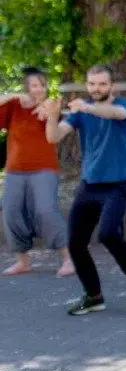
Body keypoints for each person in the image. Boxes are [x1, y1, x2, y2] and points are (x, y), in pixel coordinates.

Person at [43, 64, 126, 316]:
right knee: (75, 243)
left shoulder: (123, 105)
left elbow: (116, 114)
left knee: (108, 233)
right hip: (89, 185)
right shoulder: (81, 112)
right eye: (92, 84)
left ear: (112, 86)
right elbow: (53, 137)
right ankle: (94, 297)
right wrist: (52, 116)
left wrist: (86, 107)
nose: (96, 88)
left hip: (117, 185)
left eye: (102, 84)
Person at [0, 68, 73, 277]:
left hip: (44, 168)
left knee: (45, 210)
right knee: (11, 211)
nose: (39, 89)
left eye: (42, 85)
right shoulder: (14, 106)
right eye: (34, 85)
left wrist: (51, 115)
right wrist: (13, 96)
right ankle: (22, 262)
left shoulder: (51, 105)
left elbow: (53, 135)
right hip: (15, 169)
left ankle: (69, 259)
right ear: (26, 87)